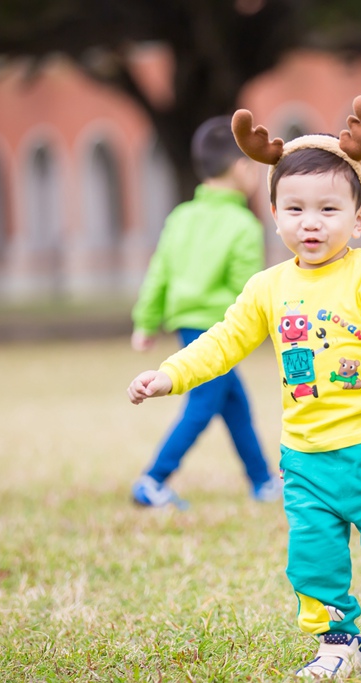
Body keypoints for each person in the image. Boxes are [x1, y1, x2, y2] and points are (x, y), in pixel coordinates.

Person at [127, 96, 361, 678]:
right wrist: (170, 373)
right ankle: (338, 638)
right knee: (313, 560)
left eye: (328, 209)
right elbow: (223, 340)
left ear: (359, 218)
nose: (310, 222)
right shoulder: (267, 288)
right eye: (295, 208)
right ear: (273, 214)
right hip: (305, 456)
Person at [129, 115, 283, 508]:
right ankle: (153, 479)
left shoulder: (180, 217)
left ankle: (263, 480)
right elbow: (247, 290)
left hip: (186, 328)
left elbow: (158, 272)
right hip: (219, 334)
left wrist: (146, 322)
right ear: (241, 168)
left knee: (235, 406)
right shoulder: (244, 225)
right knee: (202, 405)